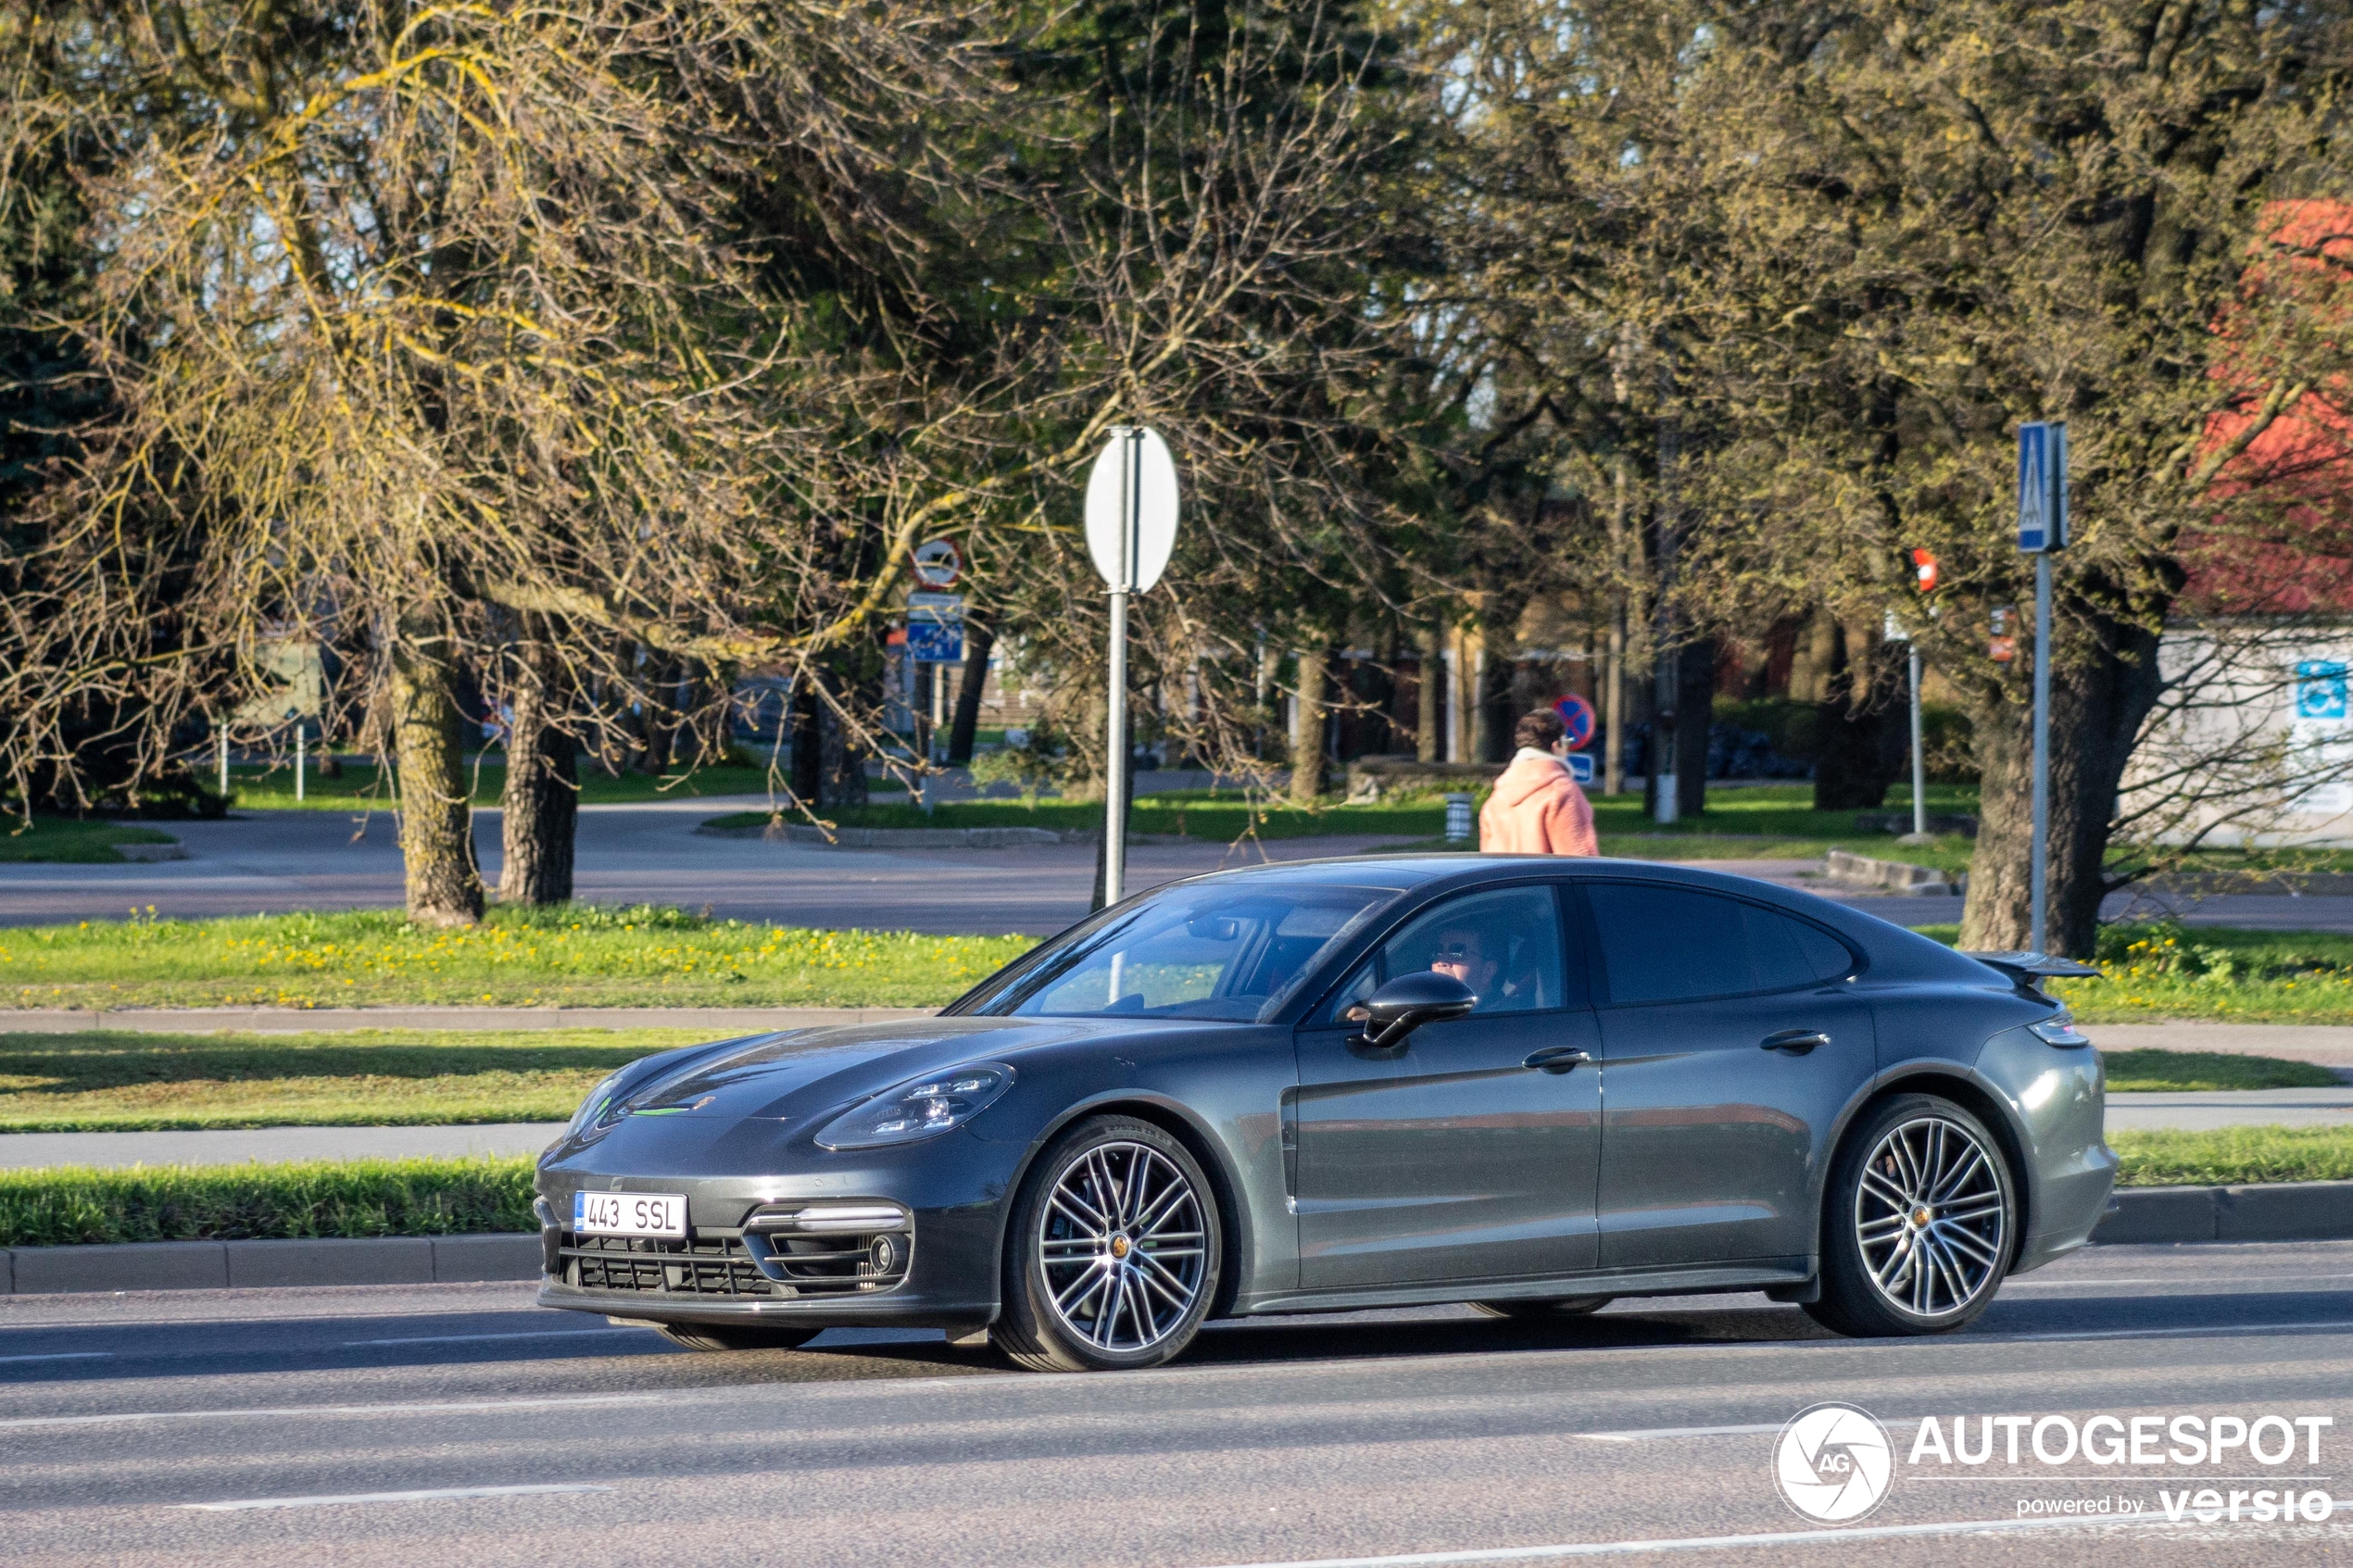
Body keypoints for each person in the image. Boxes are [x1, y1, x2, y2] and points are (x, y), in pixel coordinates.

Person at [1478, 709, 1598, 857]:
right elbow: (1581, 862)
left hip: (1504, 880)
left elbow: (1486, 862)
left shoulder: (1495, 800)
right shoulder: (1562, 792)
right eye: (1567, 742)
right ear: (1556, 746)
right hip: (1546, 880)